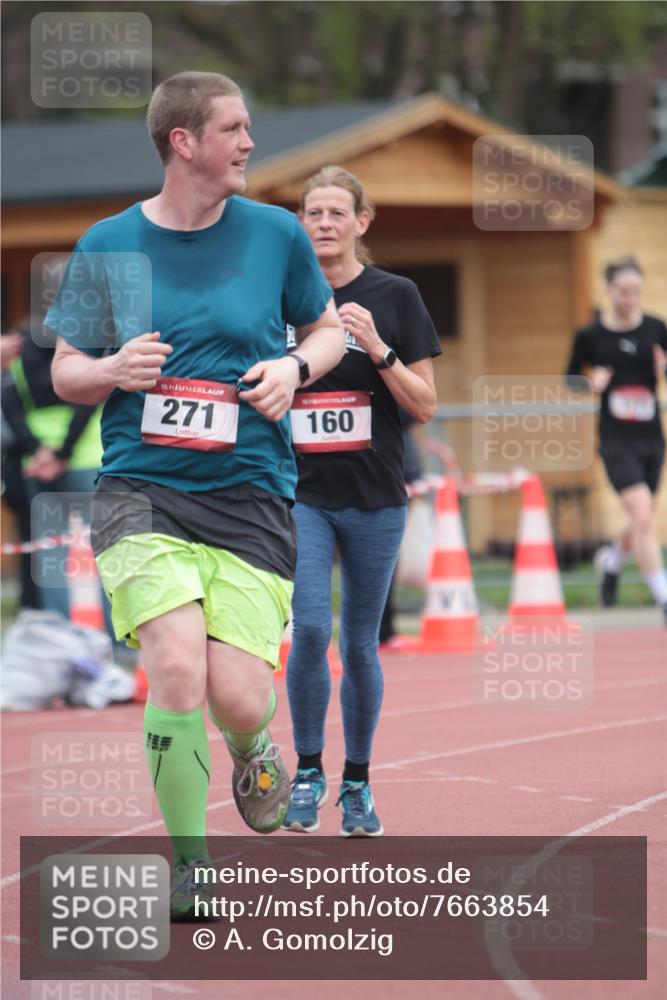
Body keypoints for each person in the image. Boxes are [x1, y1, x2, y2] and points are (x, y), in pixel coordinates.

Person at [47, 71, 345, 918]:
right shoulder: (108, 243)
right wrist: (108, 370)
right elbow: (66, 370)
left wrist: (292, 368)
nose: (250, 143)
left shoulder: (276, 234)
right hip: (141, 488)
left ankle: (253, 744)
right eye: (234, 128)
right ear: (185, 142)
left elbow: (324, 332)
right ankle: (190, 868)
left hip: (249, 490)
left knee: (240, 695)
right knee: (174, 671)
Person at [283, 165, 440, 837]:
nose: (323, 222)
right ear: (300, 223)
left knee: (360, 643)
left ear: (360, 223)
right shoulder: (280, 299)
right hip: (301, 496)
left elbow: (425, 406)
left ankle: (357, 783)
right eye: (311, 212)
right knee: (310, 629)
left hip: (375, 496)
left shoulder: (394, 294)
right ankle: (308, 770)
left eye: (335, 212)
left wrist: (377, 347)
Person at [565, 255, 667, 623]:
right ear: (609, 291)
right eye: (624, 291)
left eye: (636, 291)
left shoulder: (656, 328)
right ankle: (664, 597)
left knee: (641, 520)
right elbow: (570, 378)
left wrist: (663, 368)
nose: (630, 298)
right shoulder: (591, 336)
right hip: (616, 438)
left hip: (652, 439)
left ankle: (611, 563)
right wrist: (592, 384)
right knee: (641, 513)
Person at [2, 323, 105, 621]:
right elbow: (89, 403)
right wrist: (63, 452)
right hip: (88, 459)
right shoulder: (87, 349)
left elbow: (11, 408)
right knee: (108, 550)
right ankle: (118, 639)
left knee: (51, 555)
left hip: (36, 464)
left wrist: (38, 451)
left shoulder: (19, 354)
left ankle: (57, 628)